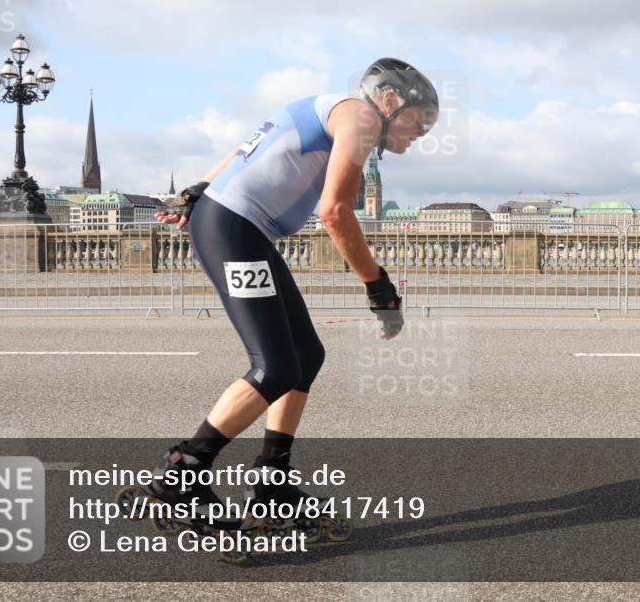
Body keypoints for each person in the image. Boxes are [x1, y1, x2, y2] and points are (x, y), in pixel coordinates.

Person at [143, 58, 439, 539]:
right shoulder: (360, 117)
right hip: (234, 230)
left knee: (305, 355)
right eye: (419, 121)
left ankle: (271, 478)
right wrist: (378, 287)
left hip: (241, 229)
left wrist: (199, 189)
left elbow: (245, 149)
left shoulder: (335, 112)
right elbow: (335, 212)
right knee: (275, 367)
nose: (420, 134)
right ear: (389, 101)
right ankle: (184, 471)